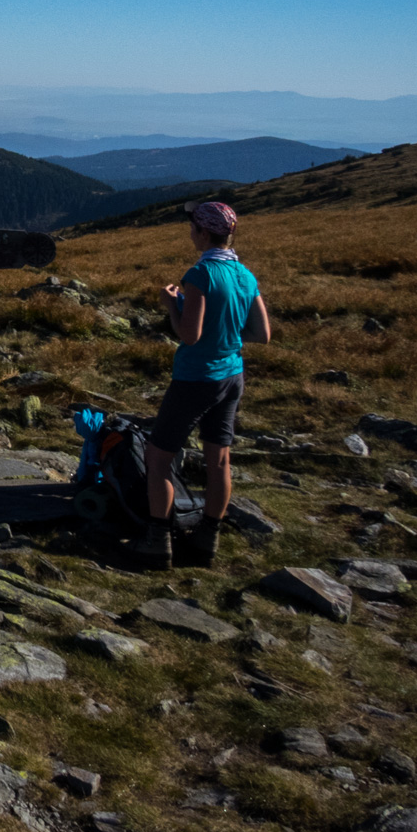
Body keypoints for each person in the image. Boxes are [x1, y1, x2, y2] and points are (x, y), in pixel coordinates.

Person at [133, 199, 271, 570]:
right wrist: (224, 330)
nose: (191, 233)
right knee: (219, 459)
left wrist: (170, 305)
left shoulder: (200, 275)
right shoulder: (245, 274)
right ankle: (208, 537)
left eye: (193, 228)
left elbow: (189, 336)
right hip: (232, 375)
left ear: (204, 233)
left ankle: (157, 540)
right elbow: (261, 333)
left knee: (158, 456)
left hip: (197, 377)